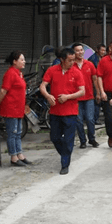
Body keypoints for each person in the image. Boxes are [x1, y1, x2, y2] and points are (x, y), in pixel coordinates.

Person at [40, 47, 85, 175]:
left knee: (68, 139)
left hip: (71, 111)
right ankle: (65, 154)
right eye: (70, 60)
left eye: (73, 60)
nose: (72, 62)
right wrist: (48, 96)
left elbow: (82, 91)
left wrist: (67, 97)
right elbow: (42, 86)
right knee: (54, 137)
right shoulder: (52, 70)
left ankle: (65, 164)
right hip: (55, 111)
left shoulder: (76, 72)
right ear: (62, 59)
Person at [0, 50, 31, 167]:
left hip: (18, 108)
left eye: (24, 59)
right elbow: (3, 90)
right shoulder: (10, 73)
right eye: (22, 59)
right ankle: (13, 157)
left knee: (18, 133)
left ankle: (19, 154)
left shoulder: (19, 73)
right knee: (12, 133)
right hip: (11, 108)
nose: (24, 61)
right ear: (14, 61)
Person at [73, 43, 99, 149]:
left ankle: (92, 139)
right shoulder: (71, 66)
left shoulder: (89, 64)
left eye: (81, 50)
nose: (80, 52)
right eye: (77, 50)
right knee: (78, 120)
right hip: (76, 98)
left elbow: (95, 79)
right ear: (73, 53)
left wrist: (98, 93)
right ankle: (82, 141)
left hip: (89, 96)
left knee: (90, 119)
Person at [90, 43, 107, 125]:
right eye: (102, 50)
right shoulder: (93, 58)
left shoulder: (103, 58)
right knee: (97, 101)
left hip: (102, 81)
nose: (103, 52)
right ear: (97, 50)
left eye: (104, 50)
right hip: (95, 82)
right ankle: (95, 119)